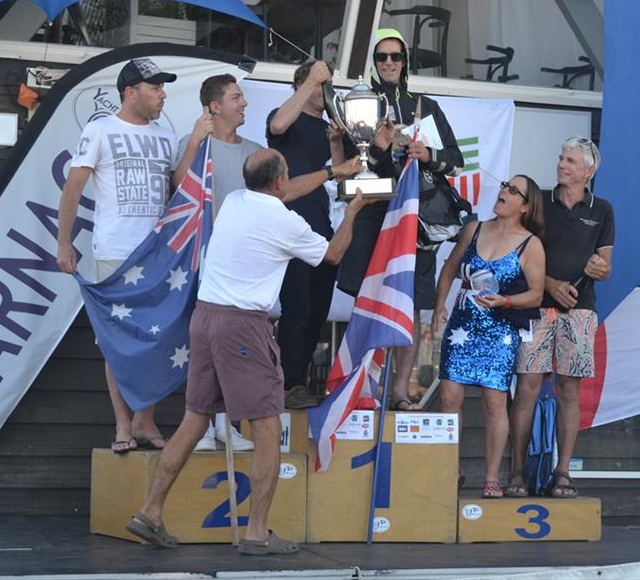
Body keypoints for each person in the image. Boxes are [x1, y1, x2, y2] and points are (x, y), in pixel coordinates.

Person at [125, 149, 370, 553]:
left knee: (194, 420)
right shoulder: (284, 220)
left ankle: (150, 511)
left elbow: (284, 193)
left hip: (204, 318)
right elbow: (332, 254)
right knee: (268, 427)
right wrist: (353, 210)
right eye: (287, 176)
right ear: (278, 183)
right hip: (242, 326)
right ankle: (257, 533)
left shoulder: (236, 201)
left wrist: (332, 172)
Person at [176, 74, 362, 447]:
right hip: (200, 254)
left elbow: (285, 193)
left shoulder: (253, 151)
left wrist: (333, 169)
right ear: (214, 106)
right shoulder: (195, 143)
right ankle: (205, 429)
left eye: (243, 96)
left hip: (240, 261)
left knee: (225, 349)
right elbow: (179, 189)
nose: (244, 103)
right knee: (208, 349)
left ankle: (224, 429)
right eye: (236, 97)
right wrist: (196, 141)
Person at [337, 28, 465, 411]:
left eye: (395, 56)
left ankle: (398, 391)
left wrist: (428, 156)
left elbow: (456, 160)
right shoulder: (359, 103)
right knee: (369, 296)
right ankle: (360, 386)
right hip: (376, 210)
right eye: (381, 57)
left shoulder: (425, 104)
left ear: (405, 61)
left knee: (409, 303)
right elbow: (350, 168)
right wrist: (378, 150)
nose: (389, 63)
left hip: (415, 215)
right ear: (373, 64)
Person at [56, 58, 177, 454]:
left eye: (162, 87)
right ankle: (122, 423)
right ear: (131, 92)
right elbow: (73, 189)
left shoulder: (165, 135)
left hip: (157, 254)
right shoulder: (100, 128)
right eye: (155, 87)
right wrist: (63, 242)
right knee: (118, 341)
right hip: (115, 250)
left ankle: (146, 421)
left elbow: (178, 193)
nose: (162, 94)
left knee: (157, 337)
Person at [507, 137, 614, 499]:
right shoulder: (541, 203)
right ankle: (517, 473)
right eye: (560, 157)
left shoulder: (603, 210)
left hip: (581, 311)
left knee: (570, 390)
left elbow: (605, 265)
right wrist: (549, 283)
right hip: (536, 306)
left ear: (589, 170)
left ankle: (563, 473)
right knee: (527, 387)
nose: (561, 164)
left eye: (570, 160)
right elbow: (521, 253)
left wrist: (600, 268)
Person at [432, 175, 545, 497]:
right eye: (504, 186)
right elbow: (450, 268)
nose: (503, 192)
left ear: (525, 206)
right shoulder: (475, 228)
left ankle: (492, 477)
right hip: (464, 321)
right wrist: (440, 304)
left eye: (512, 191)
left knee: (494, 402)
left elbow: (536, 295)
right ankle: (449, 468)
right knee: (449, 395)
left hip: (500, 327)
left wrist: (506, 300)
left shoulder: (531, 244)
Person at [266, 60, 349, 409]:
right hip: (290, 226)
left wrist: (336, 139)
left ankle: (295, 382)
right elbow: (277, 124)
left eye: (327, 84)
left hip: (324, 228)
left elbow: (344, 178)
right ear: (303, 85)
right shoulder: (287, 116)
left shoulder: (335, 124)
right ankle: (286, 385)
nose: (324, 90)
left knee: (317, 312)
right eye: (319, 85)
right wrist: (310, 81)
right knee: (296, 309)